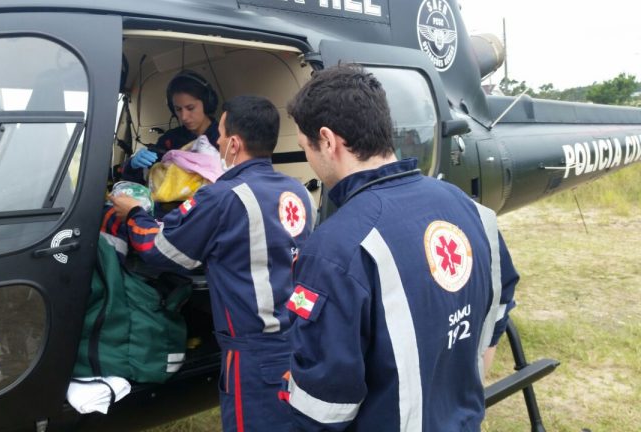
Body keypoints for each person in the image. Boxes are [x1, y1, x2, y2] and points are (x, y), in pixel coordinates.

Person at [282, 65, 517, 431]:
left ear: (327, 140)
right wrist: (469, 369)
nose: (309, 159)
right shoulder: (469, 208)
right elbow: (501, 295)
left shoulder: (335, 248)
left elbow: (324, 405)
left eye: (304, 147)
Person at [106, 95, 315, 432]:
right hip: (301, 340)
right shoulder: (298, 192)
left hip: (254, 354)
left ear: (233, 143)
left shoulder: (222, 196)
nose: (215, 141)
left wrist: (133, 212)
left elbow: (158, 248)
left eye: (219, 134)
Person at [122, 70, 220, 183]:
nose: (184, 117)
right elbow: (140, 177)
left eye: (190, 108)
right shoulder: (171, 139)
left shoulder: (225, 138)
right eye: (178, 109)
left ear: (207, 103)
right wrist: (132, 165)